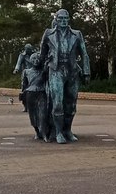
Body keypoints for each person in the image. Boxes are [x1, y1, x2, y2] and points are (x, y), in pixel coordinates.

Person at [37, 9, 90, 144]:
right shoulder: (48, 34)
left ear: (69, 19)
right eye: (60, 19)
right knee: (58, 103)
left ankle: (68, 130)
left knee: (71, 104)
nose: (63, 21)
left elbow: (84, 53)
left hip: (72, 71)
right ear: (56, 19)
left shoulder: (77, 34)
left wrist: (86, 72)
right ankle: (59, 132)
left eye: (65, 18)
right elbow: (42, 53)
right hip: (55, 70)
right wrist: (39, 68)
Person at [21, 52, 50, 141]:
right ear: (30, 60)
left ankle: (44, 133)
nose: (36, 61)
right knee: (32, 114)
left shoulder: (44, 71)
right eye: (34, 59)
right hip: (30, 93)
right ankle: (37, 132)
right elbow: (23, 84)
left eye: (38, 59)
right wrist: (22, 94)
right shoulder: (26, 71)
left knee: (43, 114)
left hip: (41, 93)